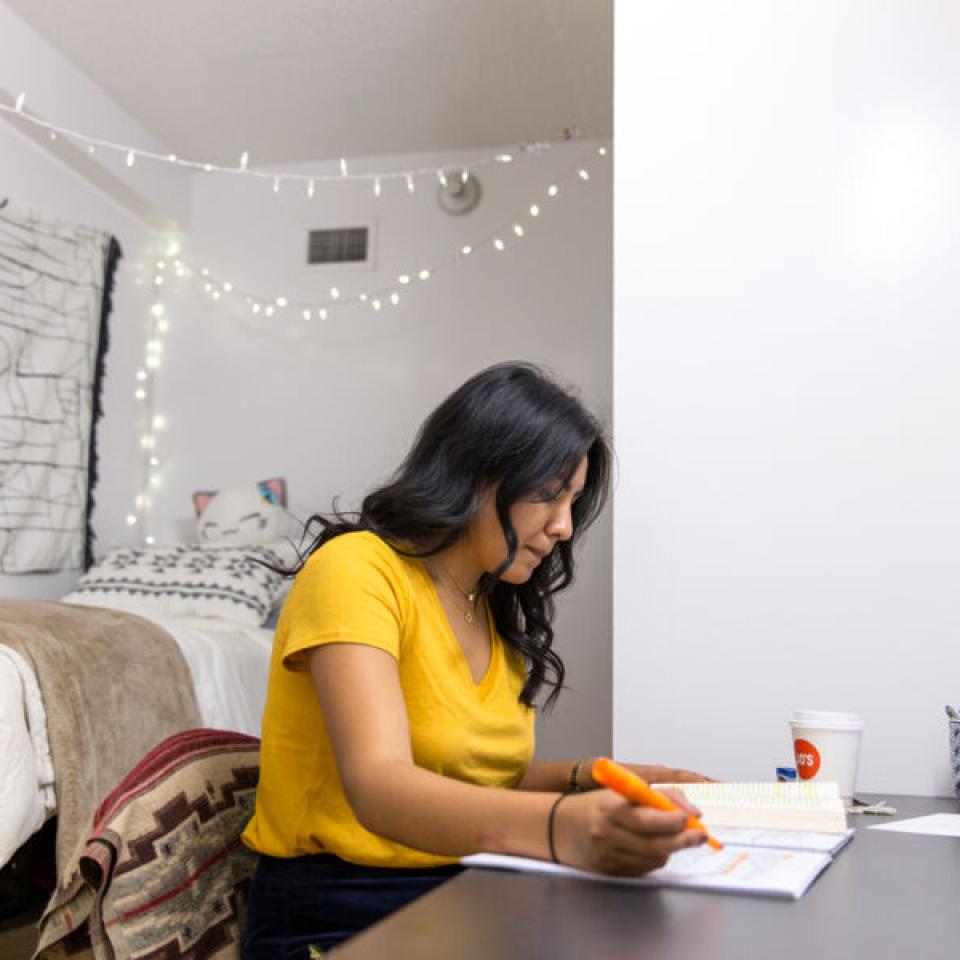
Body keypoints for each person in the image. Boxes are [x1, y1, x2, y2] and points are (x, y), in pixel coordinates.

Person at [241, 362, 710, 957]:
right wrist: (563, 827)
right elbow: (380, 785)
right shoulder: (357, 569)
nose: (564, 526)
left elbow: (471, 780)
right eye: (548, 495)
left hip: (470, 891)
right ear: (475, 473)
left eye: (573, 501)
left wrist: (593, 776)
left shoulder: (487, 602)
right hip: (343, 914)